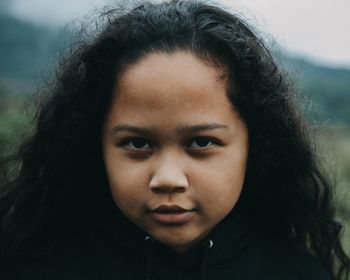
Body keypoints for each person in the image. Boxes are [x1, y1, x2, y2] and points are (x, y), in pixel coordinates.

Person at [0, 0, 349, 279]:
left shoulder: (296, 273)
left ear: (255, 146)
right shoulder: (33, 266)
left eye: (201, 143)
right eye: (138, 144)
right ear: (95, 146)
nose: (167, 178)